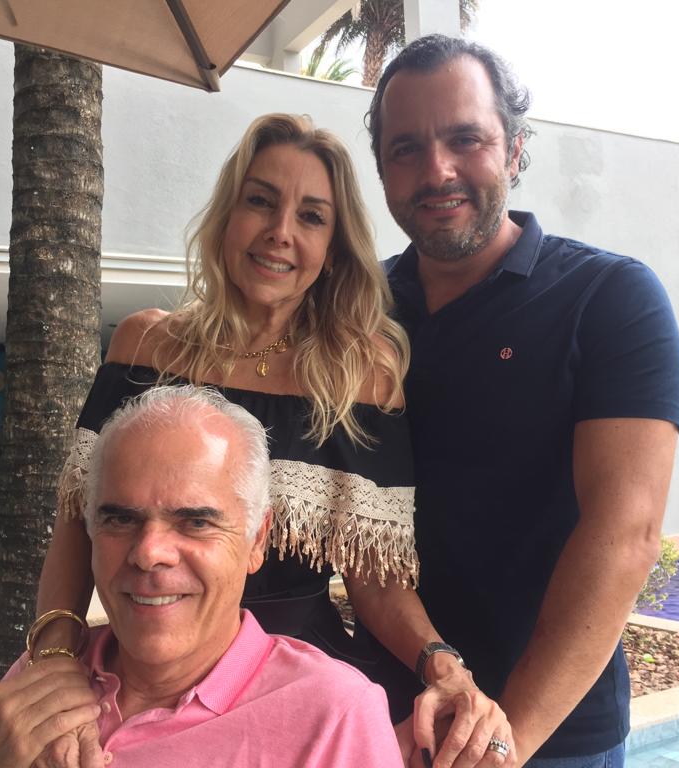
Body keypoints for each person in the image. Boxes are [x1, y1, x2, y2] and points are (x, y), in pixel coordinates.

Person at [36, 113, 513, 767]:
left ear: (332, 248)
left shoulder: (362, 377)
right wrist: (54, 659)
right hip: (147, 658)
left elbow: (374, 579)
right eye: (260, 201)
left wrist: (441, 663)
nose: (280, 232)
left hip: (296, 684)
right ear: (228, 217)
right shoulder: (144, 345)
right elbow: (78, 521)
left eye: (311, 217)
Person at [368, 36, 679, 768]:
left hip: (554, 731)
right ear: (382, 167)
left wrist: (505, 745)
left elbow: (625, 534)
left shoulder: (608, 298)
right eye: (406, 148)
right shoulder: (360, 312)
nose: (437, 171)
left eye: (466, 139)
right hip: (389, 717)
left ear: (514, 149)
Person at [0, 386, 404, 767]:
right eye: (121, 519)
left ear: (256, 540)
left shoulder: (333, 715)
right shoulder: (43, 676)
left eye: (196, 522)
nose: (149, 553)